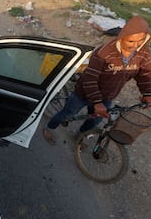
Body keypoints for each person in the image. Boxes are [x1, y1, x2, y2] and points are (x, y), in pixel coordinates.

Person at [43, 15, 151, 145]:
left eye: (140, 41)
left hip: (108, 95)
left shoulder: (143, 53)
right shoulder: (104, 53)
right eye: (131, 41)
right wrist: (97, 102)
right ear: (122, 37)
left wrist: (147, 94)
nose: (135, 45)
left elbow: (145, 74)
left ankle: (80, 136)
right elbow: (89, 78)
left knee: (95, 121)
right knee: (67, 113)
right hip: (83, 93)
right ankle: (49, 128)